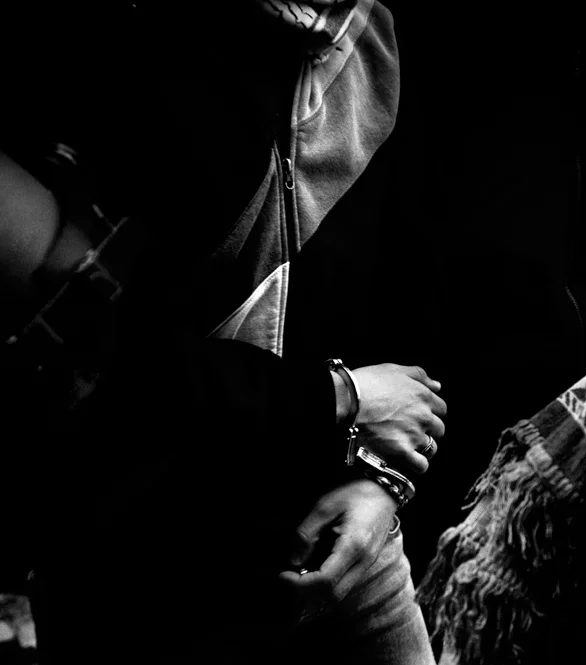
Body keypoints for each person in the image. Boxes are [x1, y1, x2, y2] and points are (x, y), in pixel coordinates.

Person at [1, 2, 446, 663]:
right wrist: (331, 397)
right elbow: (90, 359)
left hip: (355, 542)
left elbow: (423, 296)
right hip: (159, 581)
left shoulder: (380, 29)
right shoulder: (121, 54)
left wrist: (381, 480)